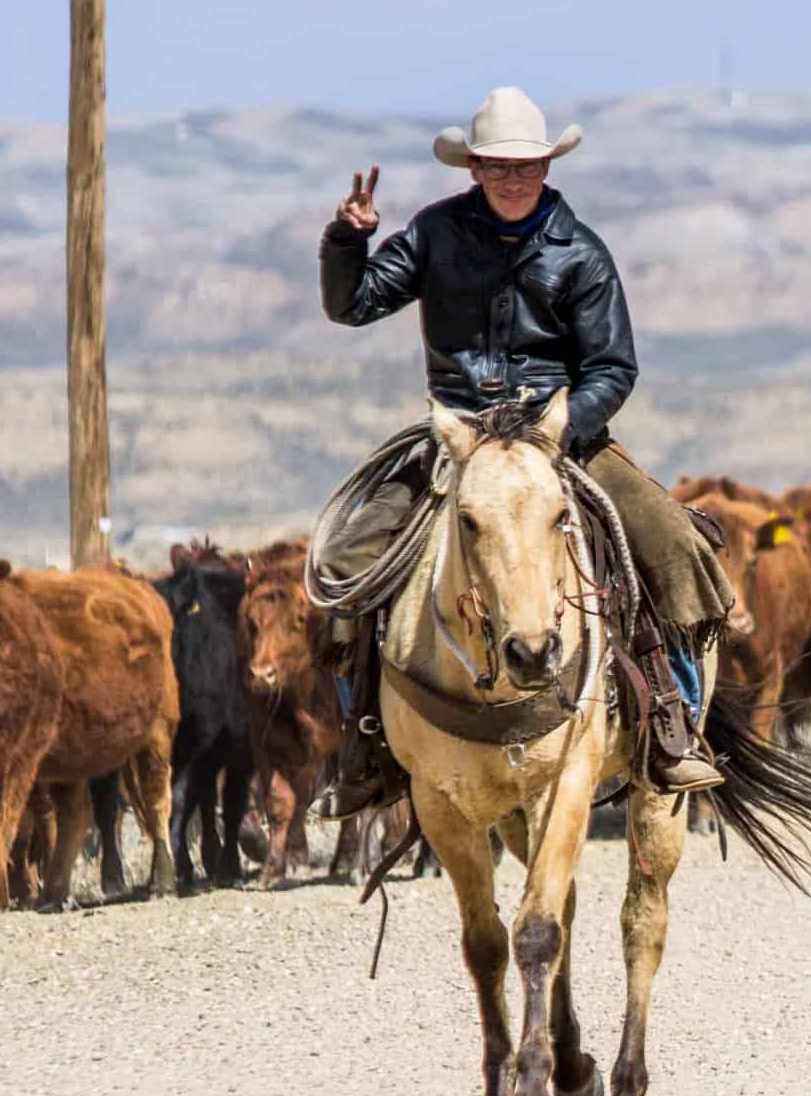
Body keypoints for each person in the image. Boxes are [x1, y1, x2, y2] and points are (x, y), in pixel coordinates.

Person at [309, 86, 731, 817]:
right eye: (498, 165)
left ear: (547, 166)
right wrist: (348, 241)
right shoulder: (432, 235)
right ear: (472, 167)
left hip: (561, 438)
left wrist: (558, 430)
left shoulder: (582, 252)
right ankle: (366, 737)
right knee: (347, 563)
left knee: (669, 541)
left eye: (526, 165)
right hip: (460, 440)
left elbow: (614, 367)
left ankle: (671, 719)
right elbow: (351, 306)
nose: (513, 178)